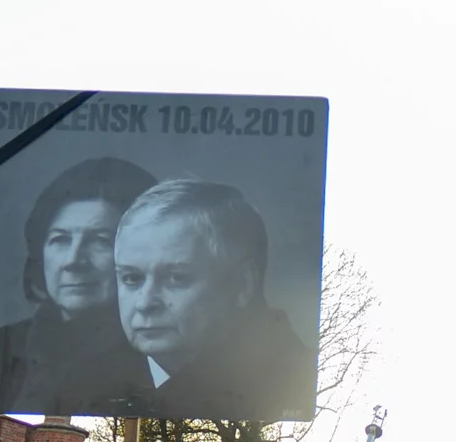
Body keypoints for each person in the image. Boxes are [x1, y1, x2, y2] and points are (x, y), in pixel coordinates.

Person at [0, 154, 156, 415]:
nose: (74, 261)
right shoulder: (6, 345)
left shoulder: (155, 350)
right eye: (60, 239)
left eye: (99, 240)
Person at [111, 178, 315, 421]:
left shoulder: (290, 383)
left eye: (176, 277)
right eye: (132, 278)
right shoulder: (89, 381)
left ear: (242, 284)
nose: (145, 303)